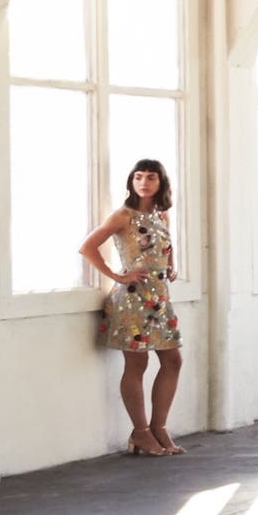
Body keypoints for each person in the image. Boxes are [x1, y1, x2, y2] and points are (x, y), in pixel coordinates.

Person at [76, 159, 185, 458]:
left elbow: (165, 247)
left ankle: (158, 427)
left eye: (151, 177)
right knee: (137, 365)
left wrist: (171, 267)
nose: (144, 182)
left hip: (159, 299)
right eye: (138, 177)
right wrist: (118, 276)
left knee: (173, 361)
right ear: (131, 182)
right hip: (133, 300)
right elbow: (87, 247)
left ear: (161, 183)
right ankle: (140, 432)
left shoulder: (162, 215)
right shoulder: (123, 215)